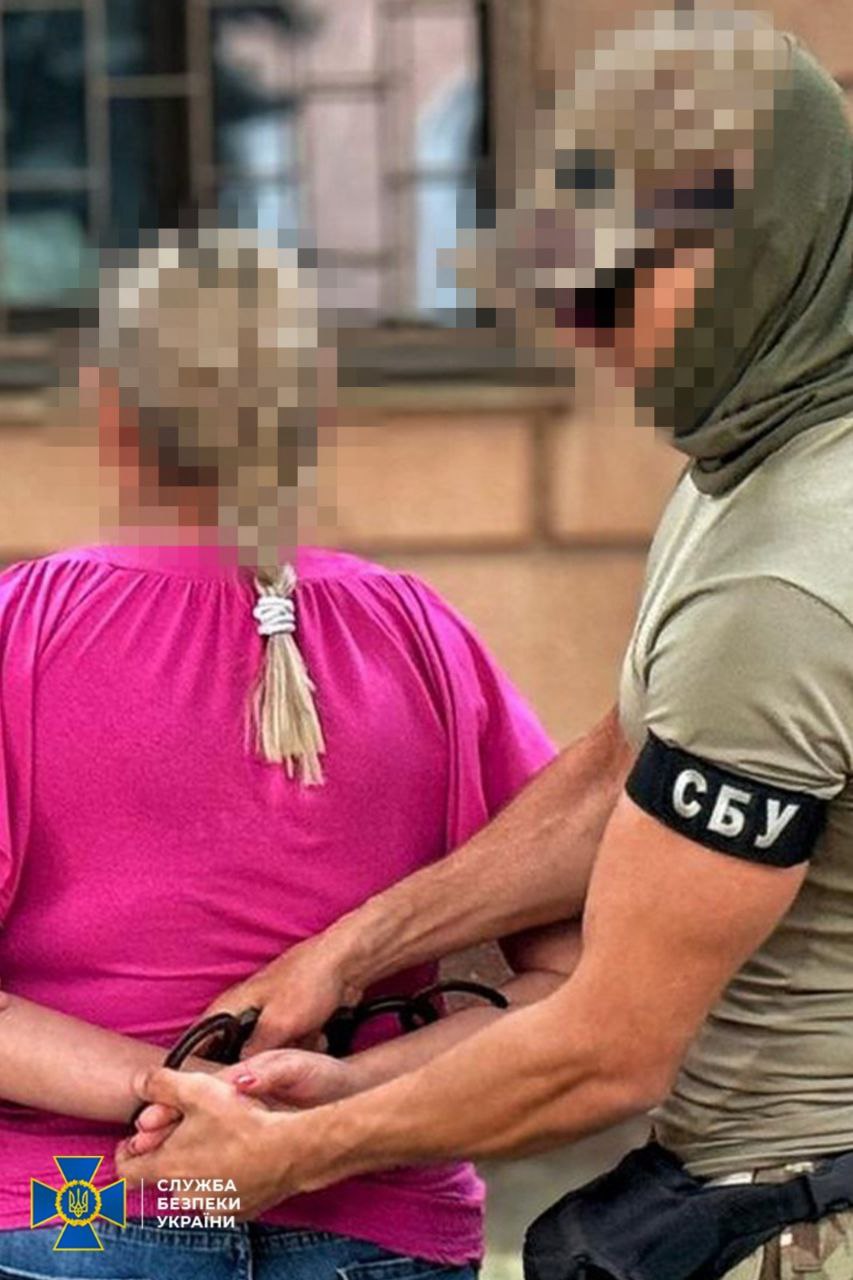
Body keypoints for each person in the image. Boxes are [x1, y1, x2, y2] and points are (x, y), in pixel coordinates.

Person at [120, 14, 853, 1280]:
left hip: (799, 1203)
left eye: (612, 288)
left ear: (762, 250)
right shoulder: (754, 466)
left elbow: (606, 1049)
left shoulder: (785, 574)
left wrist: (292, 1150)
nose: (579, 329)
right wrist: (348, 951)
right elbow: (626, 766)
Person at [0, 229, 578, 1279]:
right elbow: (572, 978)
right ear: (314, 419)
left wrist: (171, 1089)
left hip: (74, 1211)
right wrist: (338, 1099)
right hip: (377, 1223)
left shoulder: (23, 629)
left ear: (106, 412)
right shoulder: (419, 634)